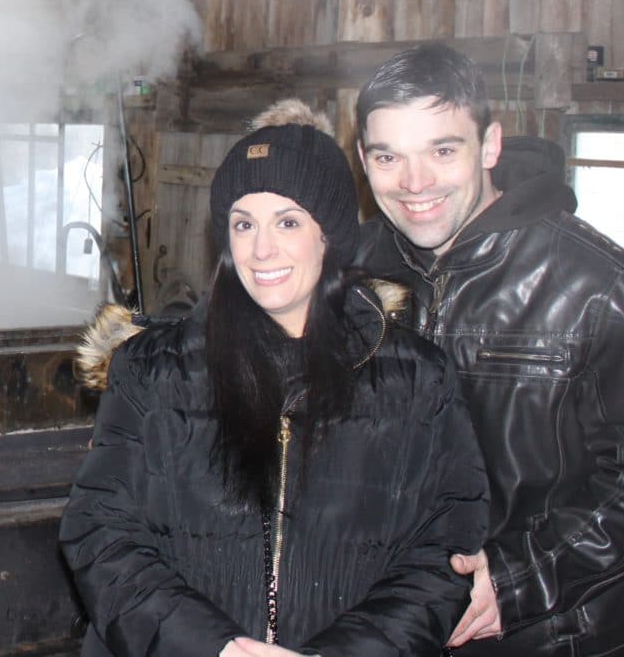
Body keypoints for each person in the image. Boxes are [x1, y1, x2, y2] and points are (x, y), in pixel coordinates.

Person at [59, 99, 489, 657]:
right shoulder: (154, 369)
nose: (262, 249)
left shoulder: (415, 378)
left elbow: (446, 549)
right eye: (244, 223)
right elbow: (99, 530)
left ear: (329, 234)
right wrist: (216, 647)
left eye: (288, 221)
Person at [353, 43, 624, 657]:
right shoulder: (357, 273)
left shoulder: (609, 286)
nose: (415, 184)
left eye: (443, 150)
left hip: (548, 635)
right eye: (389, 156)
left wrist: (524, 579)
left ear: (489, 145)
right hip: (395, 626)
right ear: (363, 159)